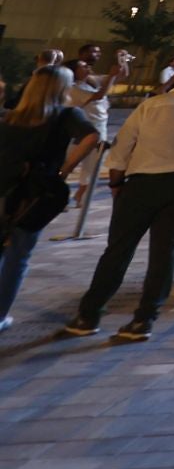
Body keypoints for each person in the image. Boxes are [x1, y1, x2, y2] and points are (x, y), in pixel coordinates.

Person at [64, 56, 174, 341]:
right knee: (166, 251)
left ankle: (89, 315)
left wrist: (116, 181)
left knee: (118, 248)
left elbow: (123, 146)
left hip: (144, 180)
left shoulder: (154, 104)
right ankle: (144, 319)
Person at [0, 67, 101, 332]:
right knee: (18, 255)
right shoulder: (66, 115)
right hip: (35, 193)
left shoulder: (9, 116)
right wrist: (65, 168)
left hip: (3, 188)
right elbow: (92, 136)